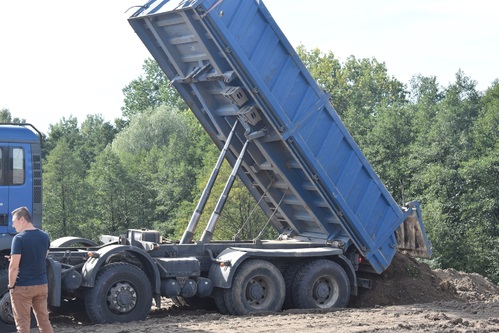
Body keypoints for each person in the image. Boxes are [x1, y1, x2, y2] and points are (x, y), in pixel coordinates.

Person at [8, 206, 53, 333]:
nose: (13, 225)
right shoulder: (44, 236)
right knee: (44, 321)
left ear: (22, 219)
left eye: (14, 221)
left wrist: (11, 286)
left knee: (23, 324)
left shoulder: (19, 238)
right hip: (41, 285)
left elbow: (14, 267)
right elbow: (42, 257)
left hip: (23, 287)